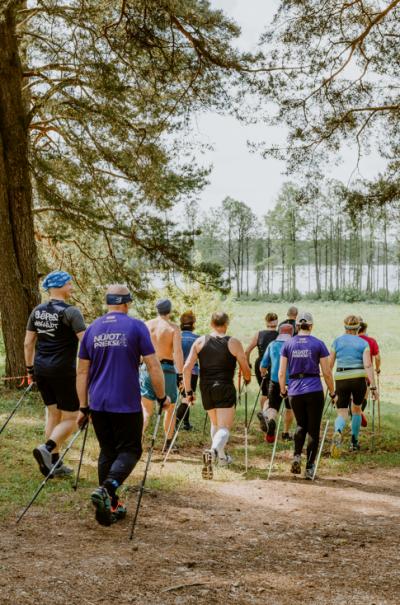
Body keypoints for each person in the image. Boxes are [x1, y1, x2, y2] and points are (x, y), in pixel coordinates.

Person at [76, 285, 170, 527]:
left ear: (108, 303)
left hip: (98, 403)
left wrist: (84, 408)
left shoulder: (92, 329)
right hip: (125, 402)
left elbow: (82, 372)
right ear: (127, 303)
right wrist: (162, 397)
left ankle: (112, 505)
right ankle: (107, 490)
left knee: (108, 452)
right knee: (131, 450)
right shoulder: (136, 326)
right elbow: (153, 365)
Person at [24, 270, 86, 478]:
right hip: (62, 371)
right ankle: (47, 448)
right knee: (73, 417)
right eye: (69, 284)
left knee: (53, 414)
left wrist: (30, 370)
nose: (71, 288)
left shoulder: (37, 311)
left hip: (41, 369)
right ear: (59, 285)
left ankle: (54, 464)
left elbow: (28, 344)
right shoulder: (71, 312)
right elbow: (86, 342)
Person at [183, 311, 251, 480]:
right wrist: (248, 379)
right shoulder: (233, 342)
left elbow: (186, 368)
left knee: (216, 423)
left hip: (205, 388)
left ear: (211, 324)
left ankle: (222, 458)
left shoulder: (200, 341)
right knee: (224, 428)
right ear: (226, 324)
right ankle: (213, 452)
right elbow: (245, 369)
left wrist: (189, 392)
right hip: (224, 386)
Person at [278, 311, 336, 479]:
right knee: (313, 429)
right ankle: (309, 467)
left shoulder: (288, 344)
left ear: (297, 326)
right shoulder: (318, 344)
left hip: (294, 391)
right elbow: (327, 373)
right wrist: (333, 393)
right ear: (311, 326)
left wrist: (283, 391)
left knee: (300, 425)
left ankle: (297, 455)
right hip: (314, 390)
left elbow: (281, 372)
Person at [329, 315, 378, 457]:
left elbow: (330, 364)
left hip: (341, 378)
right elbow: (368, 365)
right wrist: (373, 386)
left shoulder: (337, 341)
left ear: (345, 327)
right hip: (358, 379)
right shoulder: (363, 343)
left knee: (341, 412)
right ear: (358, 328)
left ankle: (338, 432)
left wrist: (329, 385)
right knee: (356, 410)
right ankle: (353, 442)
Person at [140, 298, 184, 452]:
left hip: (146, 368)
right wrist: (181, 375)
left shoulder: (146, 325)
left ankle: (138, 438)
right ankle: (169, 442)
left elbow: (139, 350)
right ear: (169, 311)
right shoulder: (174, 328)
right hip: (167, 370)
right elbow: (178, 352)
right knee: (169, 408)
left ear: (157, 310)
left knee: (146, 409)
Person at [259, 324, 295, 443]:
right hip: (291, 382)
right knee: (289, 408)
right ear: (291, 333)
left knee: (273, 406)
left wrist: (264, 374)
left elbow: (263, 365)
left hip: (275, 381)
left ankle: (271, 420)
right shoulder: (294, 345)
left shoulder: (272, 344)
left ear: (279, 332)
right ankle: (285, 433)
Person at [245, 313, 279, 413]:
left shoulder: (258, 334)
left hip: (260, 363)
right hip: (274, 363)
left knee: (264, 391)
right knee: (273, 391)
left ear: (266, 322)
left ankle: (263, 415)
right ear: (277, 322)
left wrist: (248, 365)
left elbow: (247, 351)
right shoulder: (279, 335)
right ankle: (270, 414)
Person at [175, 311, 200, 432]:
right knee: (187, 397)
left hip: (177, 370)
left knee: (184, 396)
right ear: (193, 325)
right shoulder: (198, 338)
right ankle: (175, 422)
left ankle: (186, 423)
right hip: (192, 371)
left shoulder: (176, 337)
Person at [358, 320, 381, 423]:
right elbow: (377, 357)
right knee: (364, 397)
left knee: (352, 397)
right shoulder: (371, 341)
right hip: (365, 374)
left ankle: (354, 418)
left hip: (350, 373)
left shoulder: (350, 341)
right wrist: (377, 369)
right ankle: (358, 415)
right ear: (365, 330)